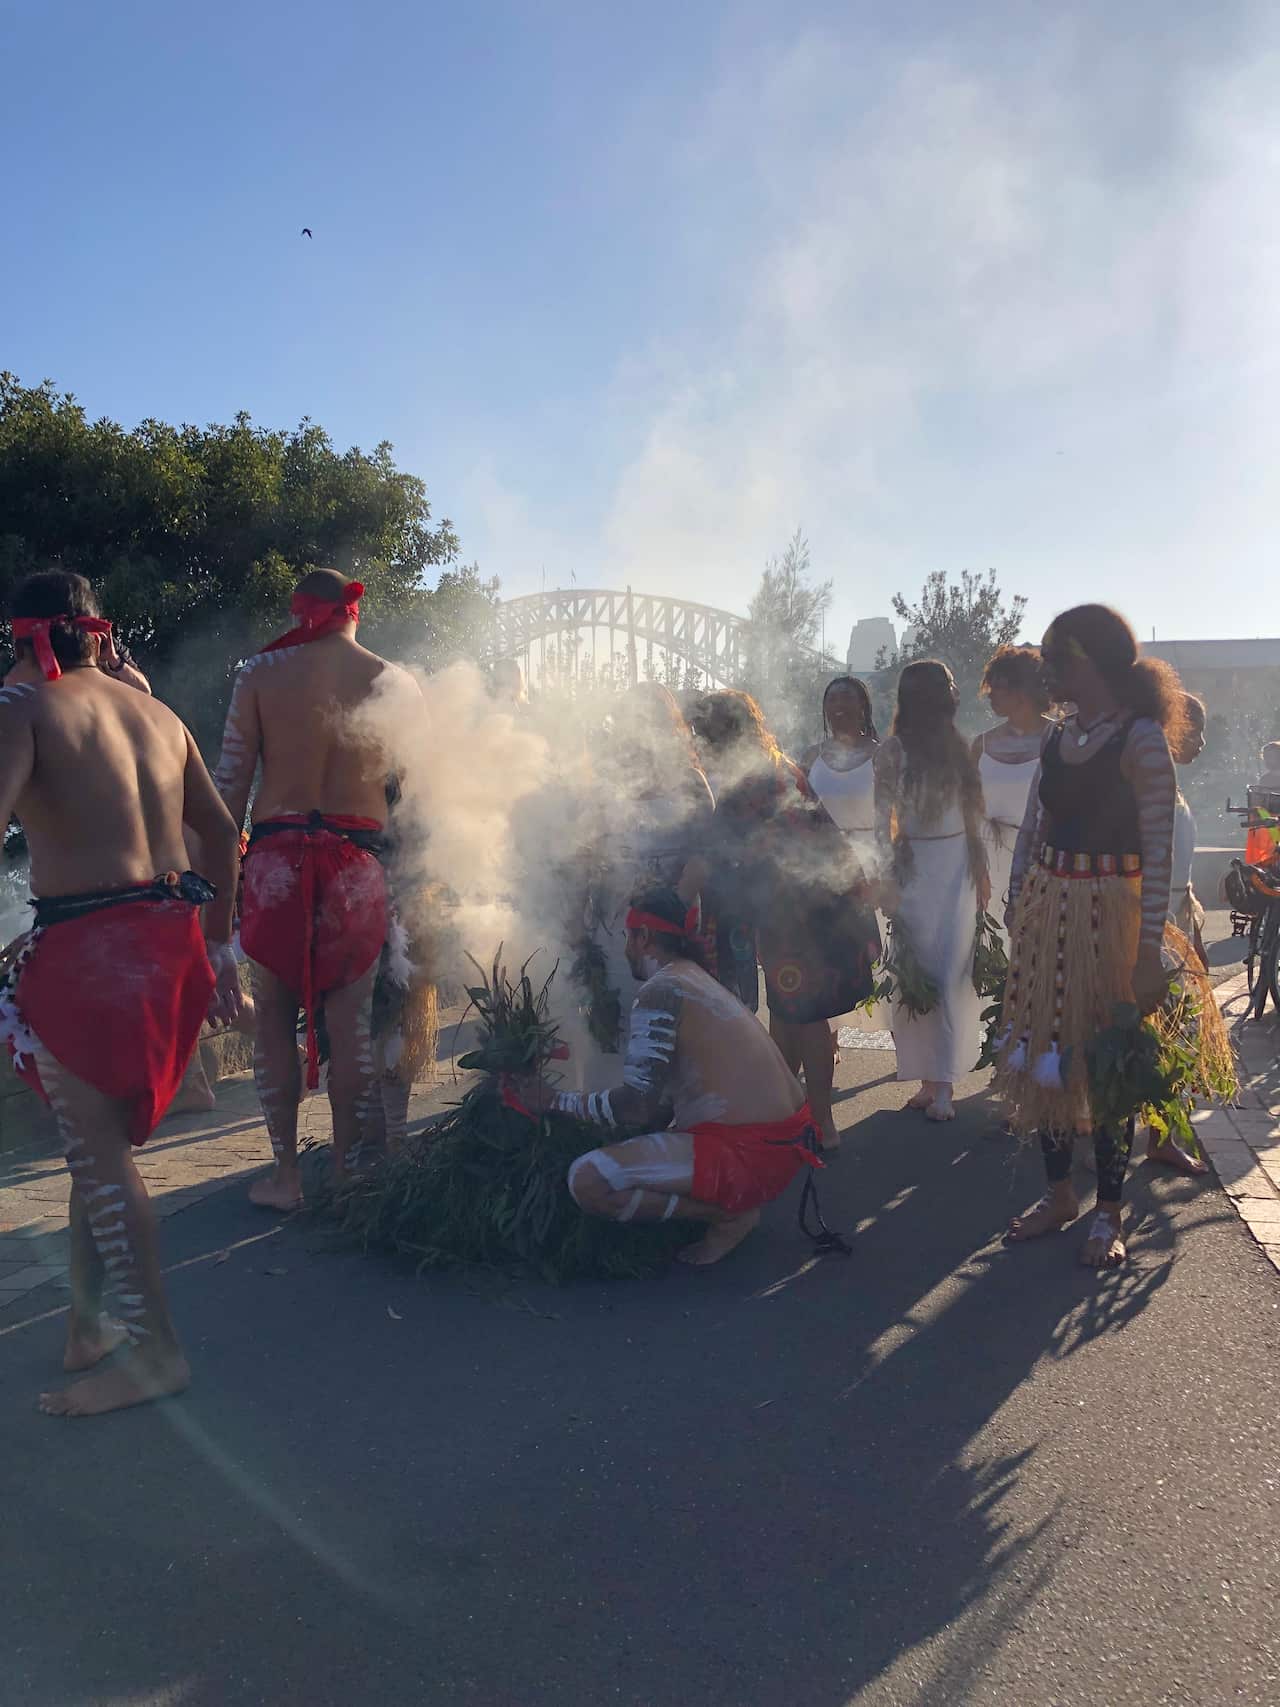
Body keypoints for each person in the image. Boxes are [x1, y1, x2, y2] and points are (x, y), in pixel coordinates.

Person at [0, 570, 241, 1416]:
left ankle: (155, 1353)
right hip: (168, 940)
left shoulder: (25, 709)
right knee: (96, 1145)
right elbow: (216, 829)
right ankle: (87, 1325)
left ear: (23, 636)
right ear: (99, 632)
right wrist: (221, 948)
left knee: (97, 1154)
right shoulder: (160, 713)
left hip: (89, 950)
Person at [998, 606, 1230, 1267]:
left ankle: (1108, 1211)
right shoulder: (1060, 736)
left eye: (1054, 657)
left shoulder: (1141, 740)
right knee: (1046, 1052)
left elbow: (1157, 849)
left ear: (1089, 661)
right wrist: (1021, 906)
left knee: (1108, 1064)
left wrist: (1146, 953)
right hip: (1052, 914)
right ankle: (1059, 1193)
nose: (1045, 670)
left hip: (1114, 918)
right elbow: (1033, 829)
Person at [214, 567, 415, 1209]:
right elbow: (411, 796)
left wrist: (214, 900)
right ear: (355, 613)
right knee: (349, 1023)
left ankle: (286, 1176)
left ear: (300, 611)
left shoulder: (259, 675)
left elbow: (227, 793)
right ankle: (349, 1171)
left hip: (275, 863)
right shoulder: (395, 682)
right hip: (358, 865)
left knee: (272, 1022)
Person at [520, 883, 821, 1266]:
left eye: (629, 937)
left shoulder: (661, 990)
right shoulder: (695, 976)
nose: (627, 947)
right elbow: (661, 1102)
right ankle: (728, 1203)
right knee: (642, 1143)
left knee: (589, 1178)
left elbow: (639, 1106)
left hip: (750, 1155)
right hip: (786, 1143)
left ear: (644, 937)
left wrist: (555, 1101)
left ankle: (727, 1216)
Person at [690, 690, 879, 1153]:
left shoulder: (751, 780)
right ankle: (792, 1109)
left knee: (805, 1013)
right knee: (787, 1008)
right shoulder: (777, 765)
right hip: (809, 906)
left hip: (797, 912)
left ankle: (820, 1120)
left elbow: (747, 848)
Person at [578, 683, 714, 1079]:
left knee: (668, 1011)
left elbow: (704, 853)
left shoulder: (689, 779)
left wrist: (671, 908)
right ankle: (618, 1109)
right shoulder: (604, 781)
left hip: (672, 913)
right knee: (619, 1009)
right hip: (615, 913)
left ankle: (668, 1112)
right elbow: (587, 848)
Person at [875, 661, 989, 1122]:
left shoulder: (958, 748)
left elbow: (972, 816)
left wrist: (980, 871)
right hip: (914, 866)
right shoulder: (893, 751)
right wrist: (884, 876)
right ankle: (927, 1078)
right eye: (943, 687)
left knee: (945, 973)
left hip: (955, 865)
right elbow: (880, 821)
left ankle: (943, 1084)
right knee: (914, 974)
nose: (952, 692)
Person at [973, 646, 1052, 944]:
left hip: (1039, 859)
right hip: (987, 863)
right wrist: (976, 863)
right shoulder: (979, 745)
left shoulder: (1059, 740)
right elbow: (968, 812)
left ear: (1023, 690)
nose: (990, 694)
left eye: (998, 687)